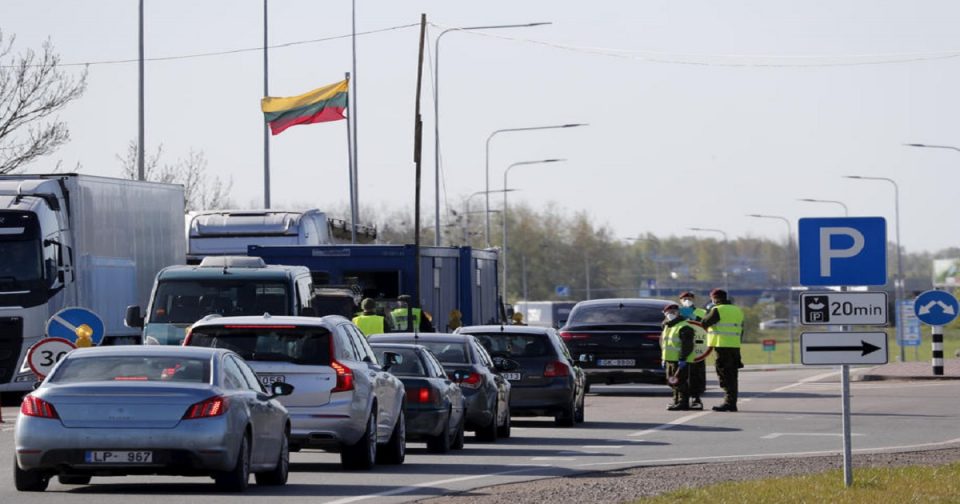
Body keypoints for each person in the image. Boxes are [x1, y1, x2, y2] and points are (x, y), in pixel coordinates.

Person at [700, 288, 744, 412]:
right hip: (735, 346)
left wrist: (707, 312)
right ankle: (732, 402)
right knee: (733, 375)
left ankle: (729, 403)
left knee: (725, 375)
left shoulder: (717, 310)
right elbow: (741, 329)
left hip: (721, 346)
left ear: (715, 298)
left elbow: (704, 323)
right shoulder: (737, 310)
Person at [661, 303, 695, 411]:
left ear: (678, 313)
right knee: (672, 381)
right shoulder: (667, 326)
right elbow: (664, 343)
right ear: (665, 314)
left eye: (673, 312)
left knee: (680, 381)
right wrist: (663, 358)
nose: (671, 314)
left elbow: (687, 345)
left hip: (680, 360)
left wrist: (683, 358)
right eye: (669, 312)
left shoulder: (684, 327)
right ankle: (676, 401)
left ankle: (683, 402)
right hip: (670, 359)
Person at [678, 291, 707, 410]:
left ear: (693, 299)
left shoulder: (701, 311)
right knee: (681, 375)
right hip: (681, 348)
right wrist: (682, 314)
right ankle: (680, 399)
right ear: (680, 300)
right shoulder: (677, 311)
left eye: (689, 298)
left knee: (696, 375)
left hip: (698, 347)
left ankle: (696, 398)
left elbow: (706, 324)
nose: (687, 300)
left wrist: (694, 316)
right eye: (684, 298)